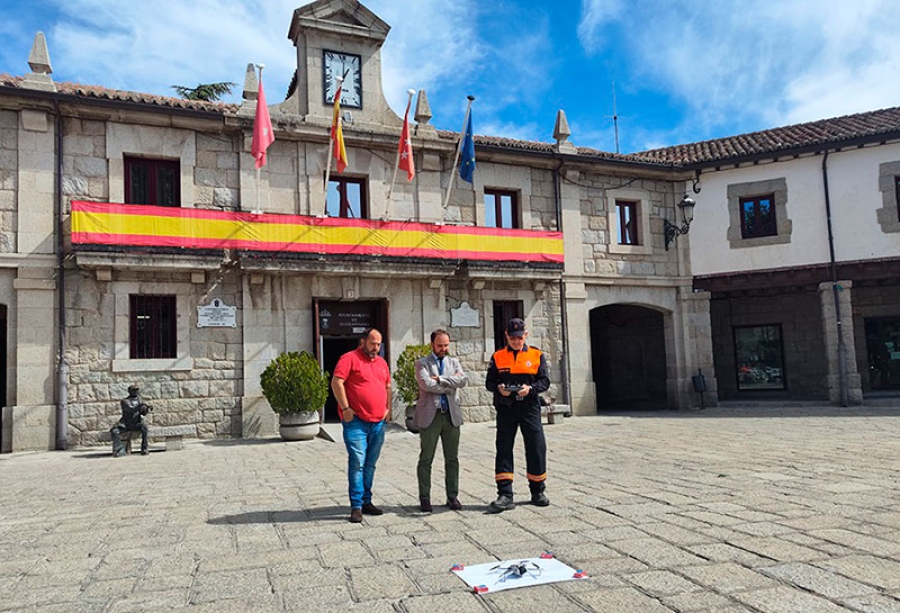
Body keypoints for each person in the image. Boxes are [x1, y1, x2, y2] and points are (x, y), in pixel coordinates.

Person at [485, 318, 551, 512]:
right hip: (506, 407)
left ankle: (537, 490)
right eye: (512, 337)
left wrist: (530, 389)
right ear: (506, 336)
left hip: (529, 406)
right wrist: (499, 388)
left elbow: (545, 381)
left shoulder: (537, 355)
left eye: (519, 337)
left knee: (536, 447)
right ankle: (505, 494)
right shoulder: (497, 357)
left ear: (526, 335)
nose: (516, 341)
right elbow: (489, 382)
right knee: (504, 447)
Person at [331, 328, 392, 523]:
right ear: (363, 341)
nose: (376, 348)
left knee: (370, 464)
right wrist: (346, 408)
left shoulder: (382, 363)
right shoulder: (349, 358)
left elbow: (388, 386)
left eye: (379, 344)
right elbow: (337, 382)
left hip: (377, 423)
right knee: (357, 462)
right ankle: (356, 505)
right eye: (373, 343)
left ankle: (367, 501)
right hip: (356, 422)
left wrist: (387, 409)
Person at [414, 329, 468, 512]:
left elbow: (463, 381)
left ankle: (452, 496)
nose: (443, 348)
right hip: (431, 416)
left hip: (451, 415)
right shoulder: (422, 363)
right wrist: (449, 386)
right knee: (426, 458)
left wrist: (441, 379)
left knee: (452, 458)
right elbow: (426, 384)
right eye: (440, 345)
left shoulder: (454, 362)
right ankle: (425, 497)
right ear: (432, 345)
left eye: (446, 345)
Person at [110, 385, 152, 457]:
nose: (136, 392)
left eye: (137, 390)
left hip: (136, 423)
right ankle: (120, 450)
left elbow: (143, 413)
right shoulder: (125, 401)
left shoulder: (139, 400)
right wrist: (140, 405)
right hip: (126, 424)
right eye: (134, 390)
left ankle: (144, 448)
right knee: (114, 431)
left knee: (144, 428)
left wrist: (147, 409)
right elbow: (131, 409)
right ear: (129, 391)